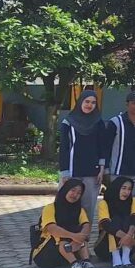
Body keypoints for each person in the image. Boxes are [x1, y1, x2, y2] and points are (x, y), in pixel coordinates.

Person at [57, 89, 106, 222]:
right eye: (87, 101)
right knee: (66, 204)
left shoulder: (98, 122)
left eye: (93, 103)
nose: (89, 105)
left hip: (92, 171)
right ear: (80, 102)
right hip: (72, 171)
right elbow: (64, 148)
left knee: (87, 206)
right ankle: (64, 233)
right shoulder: (68, 122)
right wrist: (64, 172)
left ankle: (84, 233)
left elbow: (102, 146)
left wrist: (102, 168)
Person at [32, 178, 96, 268]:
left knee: (80, 231)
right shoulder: (50, 208)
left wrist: (79, 237)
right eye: (73, 190)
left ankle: (86, 261)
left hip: (69, 250)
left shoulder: (79, 210)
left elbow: (86, 225)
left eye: (79, 193)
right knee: (64, 233)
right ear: (66, 190)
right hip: (46, 254)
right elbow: (52, 228)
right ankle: (74, 263)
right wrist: (74, 236)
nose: (75, 195)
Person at [93, 176, 135, 268]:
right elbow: (105, 224)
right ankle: (116, 258)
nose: (126, 192)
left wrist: (129, 236)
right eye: (124, 188)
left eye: (129, 189)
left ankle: (126, 258)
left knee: (128, 220)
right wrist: (126, 237)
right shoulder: (104, 203)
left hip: (129, 244)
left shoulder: (133, 201)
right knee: (115, 221)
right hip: (106, 248)